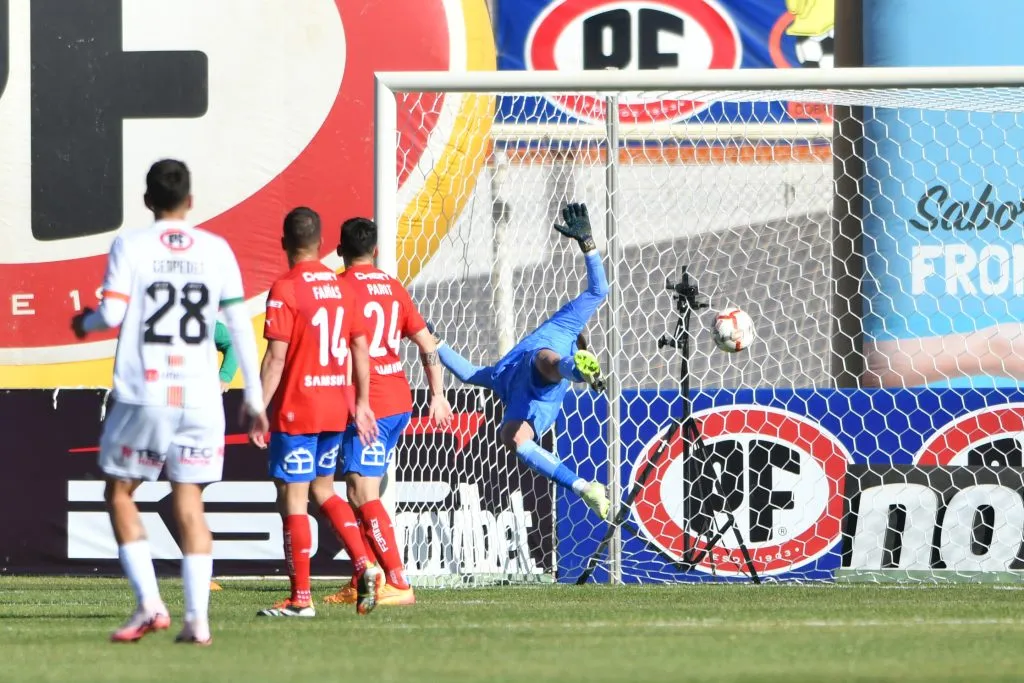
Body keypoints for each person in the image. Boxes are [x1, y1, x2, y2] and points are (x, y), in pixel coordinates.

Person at [71, 159, 268, 646]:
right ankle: (197, 621)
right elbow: (240, 325)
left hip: (148, 391)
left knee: (120, 493)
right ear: (192, 201)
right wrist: (255, 396)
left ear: (146, 201)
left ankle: (149, 603)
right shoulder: (216, 249)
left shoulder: (131, 245)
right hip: (201, 395)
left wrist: (85, 323)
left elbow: (113, 312)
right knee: (190, 503)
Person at [432, 203, 611, 519]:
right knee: (513, 436)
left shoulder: (560, 328)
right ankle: (584, 487)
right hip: (537, 399)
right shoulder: (567, 324)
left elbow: (468, 373)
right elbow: (599, 291)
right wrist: (588, 244)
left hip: (538, 389)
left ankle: (574, 370)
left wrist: (433, 341)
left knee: (545, 364)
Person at [249, 207, 378, 618]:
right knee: (324, 490)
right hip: (335, 408)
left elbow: (275, 358)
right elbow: (360, 348)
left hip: (298, 409)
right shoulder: (344, 289)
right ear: (322, 244)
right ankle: (364, 564)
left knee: (293, 497)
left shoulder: (285, 288)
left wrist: (257, 406)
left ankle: (300, 598)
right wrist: (361, 403)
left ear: (284, 242)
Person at [321, 217, 453, 609]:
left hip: (371, 404)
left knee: (361, 491)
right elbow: (426, 342)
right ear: (375, 250)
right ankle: (363, 577)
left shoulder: (339, 286)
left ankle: (397, 580)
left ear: (340, 249)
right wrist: (438, 395)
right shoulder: (393, 287)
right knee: (359, 488)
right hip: (399, 399)